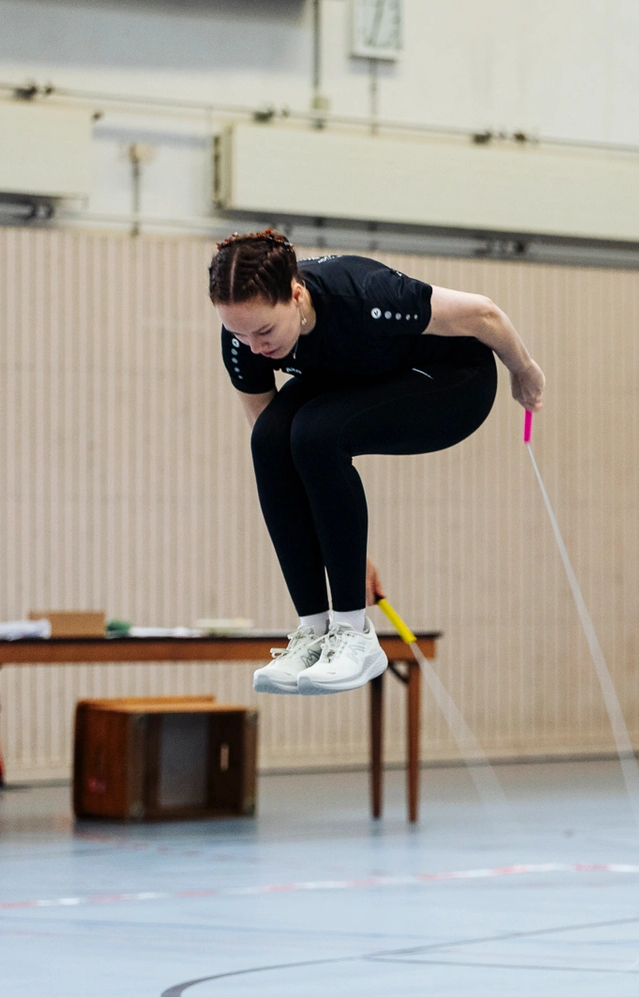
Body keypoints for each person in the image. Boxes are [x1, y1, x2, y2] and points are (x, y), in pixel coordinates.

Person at [210, 231, 544, 695]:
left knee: (316, 434)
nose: (252, 347)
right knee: (270, 441)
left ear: (296, 294)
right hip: (365, 378)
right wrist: (340, 545)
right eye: (238, 333)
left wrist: (523, 370)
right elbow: (273, 442)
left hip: (452, 382)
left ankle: (355, 634)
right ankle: (313, 632)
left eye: (264, 332)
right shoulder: (245, 339)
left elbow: (483, 313)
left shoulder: (364, 295)